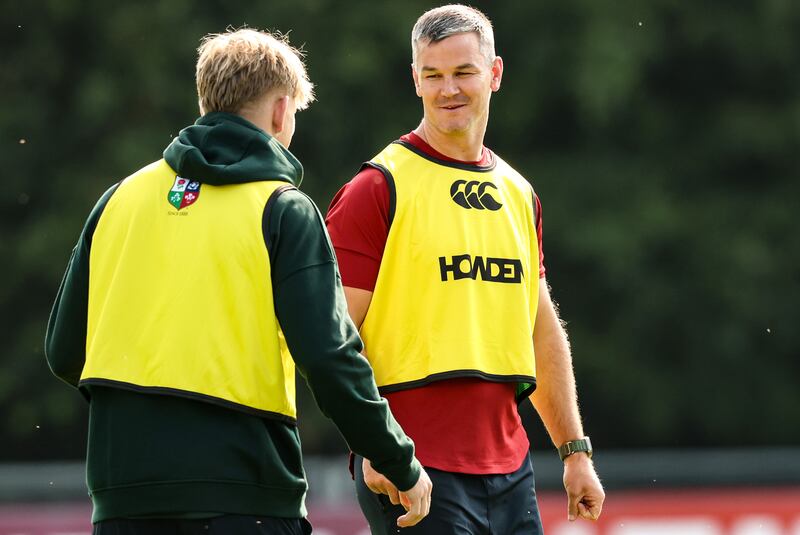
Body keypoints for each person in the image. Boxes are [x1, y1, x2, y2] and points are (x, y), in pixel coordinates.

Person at [45, 28, 431, 535]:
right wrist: (398, 459)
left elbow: (64, 352)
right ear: (281, 110)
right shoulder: (283, 208)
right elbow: (329, 357)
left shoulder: (117, 200)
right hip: (245, 491)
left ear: (206, 102)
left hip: (122, 494)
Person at [325, 5, 604, 534]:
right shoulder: (377, 188)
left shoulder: (518, 194)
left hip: (511, 470)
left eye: (463, 72)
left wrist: (574, 452)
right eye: (433, 75)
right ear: (415, 80)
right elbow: (332, 340)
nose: (448, 89)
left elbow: (541, 331)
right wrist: (374, 443)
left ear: (494, 73)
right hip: (411, 468)